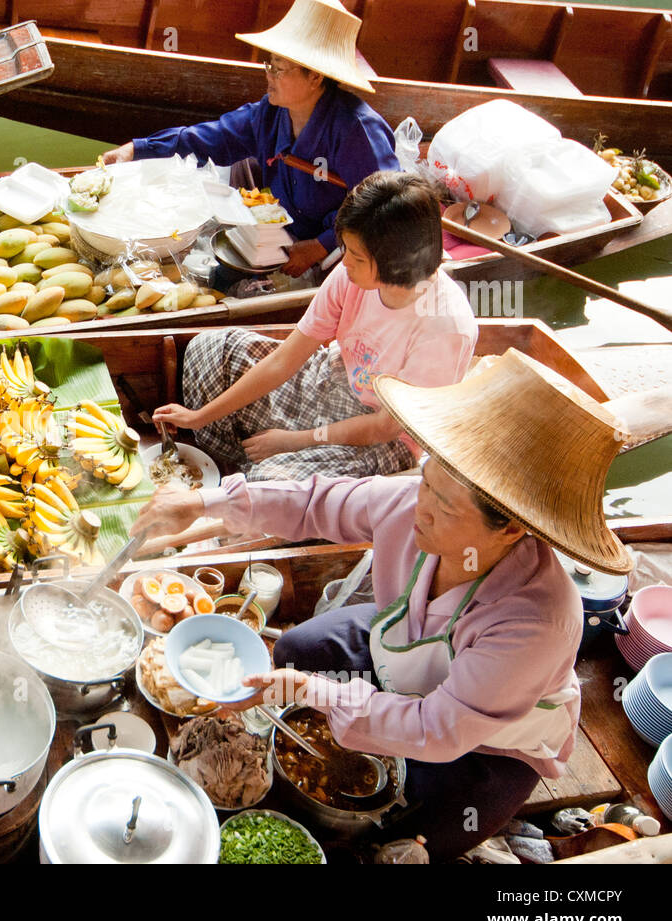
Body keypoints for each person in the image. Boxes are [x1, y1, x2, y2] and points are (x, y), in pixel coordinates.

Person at [131, 348, 644, 861]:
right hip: (401, 648)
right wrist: (201, 504)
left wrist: (325, 696)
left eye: (444, 506)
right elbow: (314, 502)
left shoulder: (538, 621)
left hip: (485, 741)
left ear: (510, 527)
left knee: (412, 827)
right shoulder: (412, 507)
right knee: (294, 648)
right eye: (426, 482)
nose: (420, 507)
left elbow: (436, 728)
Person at [154, 170, 476, 483]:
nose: (344, 261)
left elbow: (382, 428)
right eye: (345, 249)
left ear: (397, 262)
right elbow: (285, 360)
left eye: (358, 257)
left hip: (382, 441)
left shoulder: (444, 328)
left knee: (271, 482)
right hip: (329, 381)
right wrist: (199, 416)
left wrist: (294, 441)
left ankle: (255, 474)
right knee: (210, 351)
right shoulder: (349, 275)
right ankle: (239, 467)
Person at [100, 0, 399, 276]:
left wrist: (320, 246)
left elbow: (387, 205)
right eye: (268, 64)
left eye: (279, 68)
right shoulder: (270, 114)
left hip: (344, 259)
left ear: (315, 77)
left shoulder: (356, 130)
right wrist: (137, 150)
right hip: (281, 240)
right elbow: (210, 138)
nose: (268, 75)